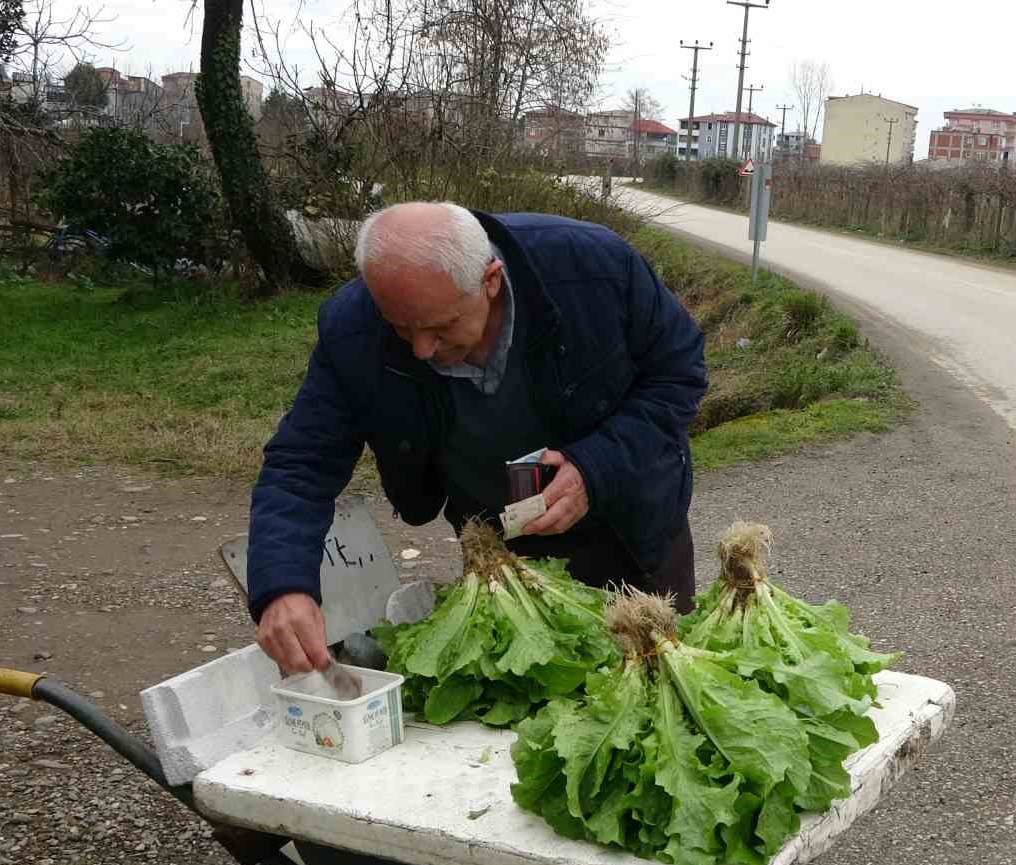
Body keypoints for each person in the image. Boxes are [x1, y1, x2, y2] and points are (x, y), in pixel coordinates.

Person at [248, 202, 707, 676]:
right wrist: (283, 584)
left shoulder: (592, 269)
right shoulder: (353, 328)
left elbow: (679, 373)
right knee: (535, 692)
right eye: (401, 328)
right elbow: (300, 463)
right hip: (504, 555)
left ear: (490, 280)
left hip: (631, 529)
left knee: (656, 680)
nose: (421, 350)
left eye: (440, 327)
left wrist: (596, 468)